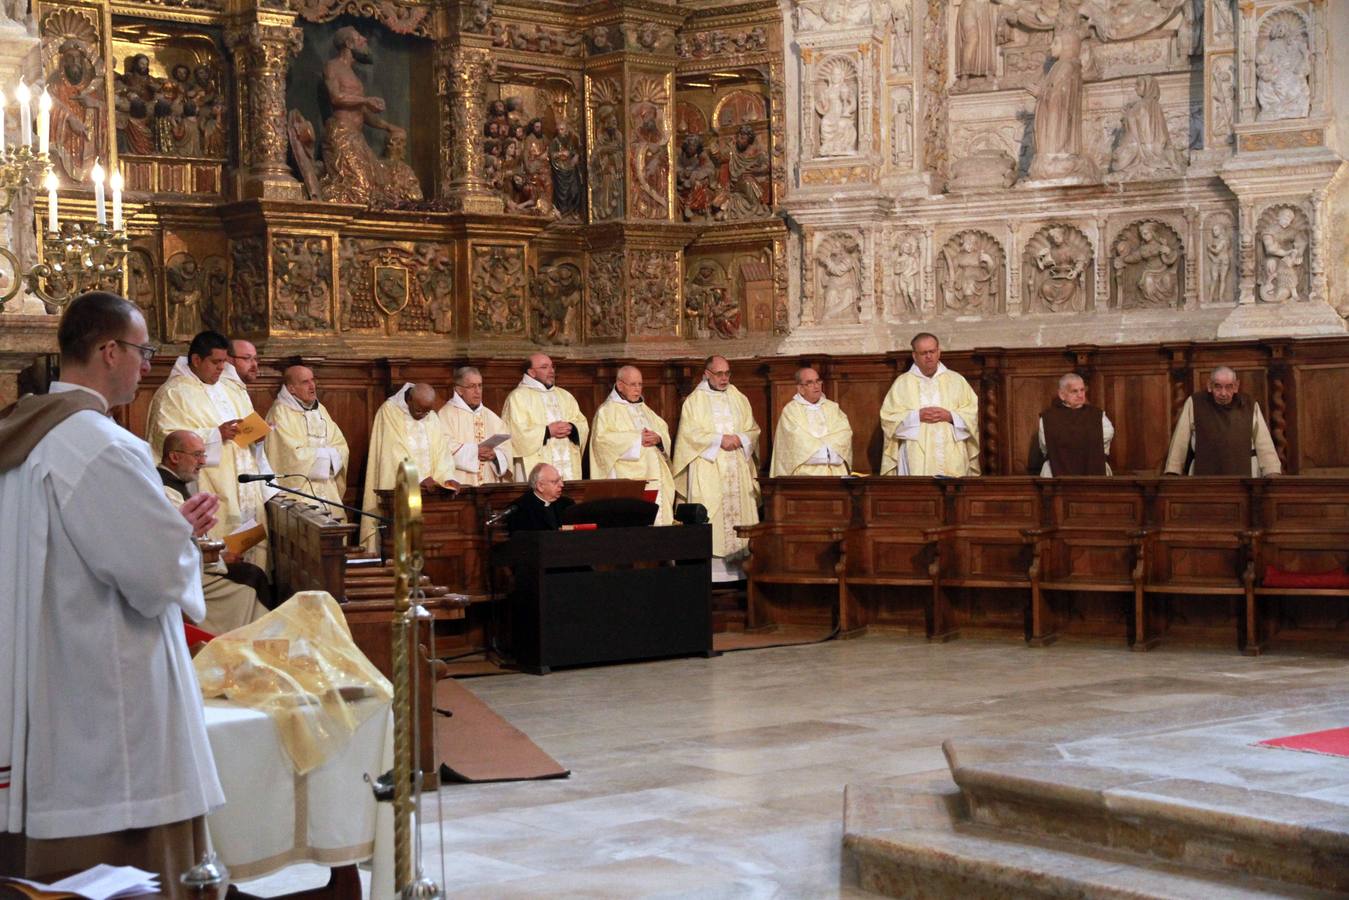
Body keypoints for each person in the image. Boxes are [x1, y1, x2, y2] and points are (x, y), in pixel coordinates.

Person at [0, 292, 223, 894]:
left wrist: (169, 529)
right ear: (107, 350)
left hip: (45, 680)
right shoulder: (100, 444)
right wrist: (182, 538)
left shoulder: (23, 437)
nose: (148, 364)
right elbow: (152, 577)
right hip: (107, 700)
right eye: (142, 350)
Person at [146, 330, 270, 569]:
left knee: (251, 564)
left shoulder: (232, 389)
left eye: (224, 362)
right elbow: (166, 437)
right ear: (196, 360)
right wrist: (215, 434)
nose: (221, 368)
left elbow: (244, 430)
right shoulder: (173, 393)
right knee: (223, 560)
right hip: (206, 486)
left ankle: (252, 593)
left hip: (243, 483)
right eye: (215, 362)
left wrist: (257, 433)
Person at [158, 430, 268, 632]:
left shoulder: (175, 483)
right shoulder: (166, 489)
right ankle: (247, 640)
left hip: (196, 567)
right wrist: (220, 560)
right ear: (174, 457)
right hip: (181, 577)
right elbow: (176, 540)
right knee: (251, 580)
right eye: (197, 455)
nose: (202, 462)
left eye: (203, 455)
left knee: (252, 575)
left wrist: (220, 555)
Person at [672, 355, 761, 581]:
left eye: (727, 373)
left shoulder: (739, 398)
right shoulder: (695, 401)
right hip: (708, 466)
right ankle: (715, 575)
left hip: (737, 465)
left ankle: (742, 572)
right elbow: (688, 435)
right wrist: (718, 440)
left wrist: (740, 438)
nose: (724, 378)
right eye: (719, 374)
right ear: (706, 374)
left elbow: (753, 429)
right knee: (713, 515)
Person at [360, 383, 457, 551]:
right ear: (409, 399)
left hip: (429, 497)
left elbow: (442, 451)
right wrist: (418, 478)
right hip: (400, 494)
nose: (423, 415)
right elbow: (393, 452)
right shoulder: (389, 411)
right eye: (419, 410)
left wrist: (446, 477)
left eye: (427, 411)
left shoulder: (431, 416)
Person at [879, 333, 980, 476]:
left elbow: (972, 413)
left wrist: (950, 416)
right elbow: (888, 418)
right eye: (923, 353)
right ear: (914, 356)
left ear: (939, 352)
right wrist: (916, 416)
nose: (929, 356)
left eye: (932, 351)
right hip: (915, 453)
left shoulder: (957, 380)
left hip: (952, 450)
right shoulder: (903, 383)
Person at [589, 366, 675, 525]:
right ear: (620, 385)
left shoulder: (645, 410)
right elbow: (601, 442)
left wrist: (659, 439)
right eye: (633, 384)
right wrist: (637, 439)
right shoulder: (607, 411)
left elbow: (662, 431)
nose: (637, 389)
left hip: (656, 475)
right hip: (629, 480)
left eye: (640, 384)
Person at [264, 365, 350, 521]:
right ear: (291, 389)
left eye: (313, 380)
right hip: (299, 496)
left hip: (328, 491)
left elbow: (340, 445)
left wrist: (327, 455)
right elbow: (289, 456)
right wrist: (328, 456)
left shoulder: (320, 410)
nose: (312, 386)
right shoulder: (280, 413)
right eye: (305, 382)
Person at [1163, 366, 1281, 477]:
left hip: (1244, 471)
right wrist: (1173, 470)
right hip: (1204, 471)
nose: (1223, 393)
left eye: (1229, 387)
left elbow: (1263, 441)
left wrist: (1272, 470)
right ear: (1209, 385)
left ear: (1236, 386)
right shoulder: (1195, 402)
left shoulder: (1249, 404)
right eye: (1218, 386)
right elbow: (1180, 439)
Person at [500, 353, 589, 482]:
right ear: (531, 372)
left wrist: (573, 428)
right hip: (535, 467)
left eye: (552, 367)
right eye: (544, 367)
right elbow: (515, 433)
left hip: (568, 469)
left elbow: (582, 423)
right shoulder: (518, 397)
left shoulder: (564, 395)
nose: (551, 371)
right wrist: (547, 431)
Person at [771, 367, 853, 476]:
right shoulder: (791, 411)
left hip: (835, 472)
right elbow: (796, 443)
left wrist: (825, 451)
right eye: (810, 383)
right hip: (804, 474)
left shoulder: (833, 408)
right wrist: (826, 451)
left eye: (818, 381)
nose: (816, 386)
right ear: (800, 388)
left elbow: (844, 434)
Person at [437, 366, 512, 485]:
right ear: (459, 389)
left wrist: (495, 455)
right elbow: (443, 447)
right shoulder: (445, 414)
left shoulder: (492, 417)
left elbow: (506, 449)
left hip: (489, 485)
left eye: (480, 385)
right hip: (460, 485)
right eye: (472, 386)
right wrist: (475, 451)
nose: (477, 391)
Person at [1028, 373, 1113, 476]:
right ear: (1062, 394)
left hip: (1093, 469)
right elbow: (1045, 446)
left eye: (1082, 390)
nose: (1081, 395)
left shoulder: (1098, 415)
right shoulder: (1048, 418)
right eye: (1074, 391)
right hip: (1056, 472)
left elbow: (1105, 439)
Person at [506, 463, 576, 533]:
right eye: (555, 482)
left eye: (560, 480)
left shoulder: (568, 504)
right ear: (540, 486)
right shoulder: (519, 509)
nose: (562, 485)